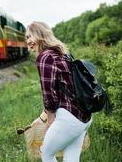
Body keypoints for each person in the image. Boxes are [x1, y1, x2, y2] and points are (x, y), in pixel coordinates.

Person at [25, 21, 92, 162]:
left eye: (31, 36)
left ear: (41, 35)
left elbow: (49, 96)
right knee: (71, 158)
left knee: (46, 153)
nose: (28, 41)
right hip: (84, 117)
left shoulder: (44, 57)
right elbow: (63, 89)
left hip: (69, 118)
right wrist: (42, 117)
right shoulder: (62, 53)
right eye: (26, 38)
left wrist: (50, 122)